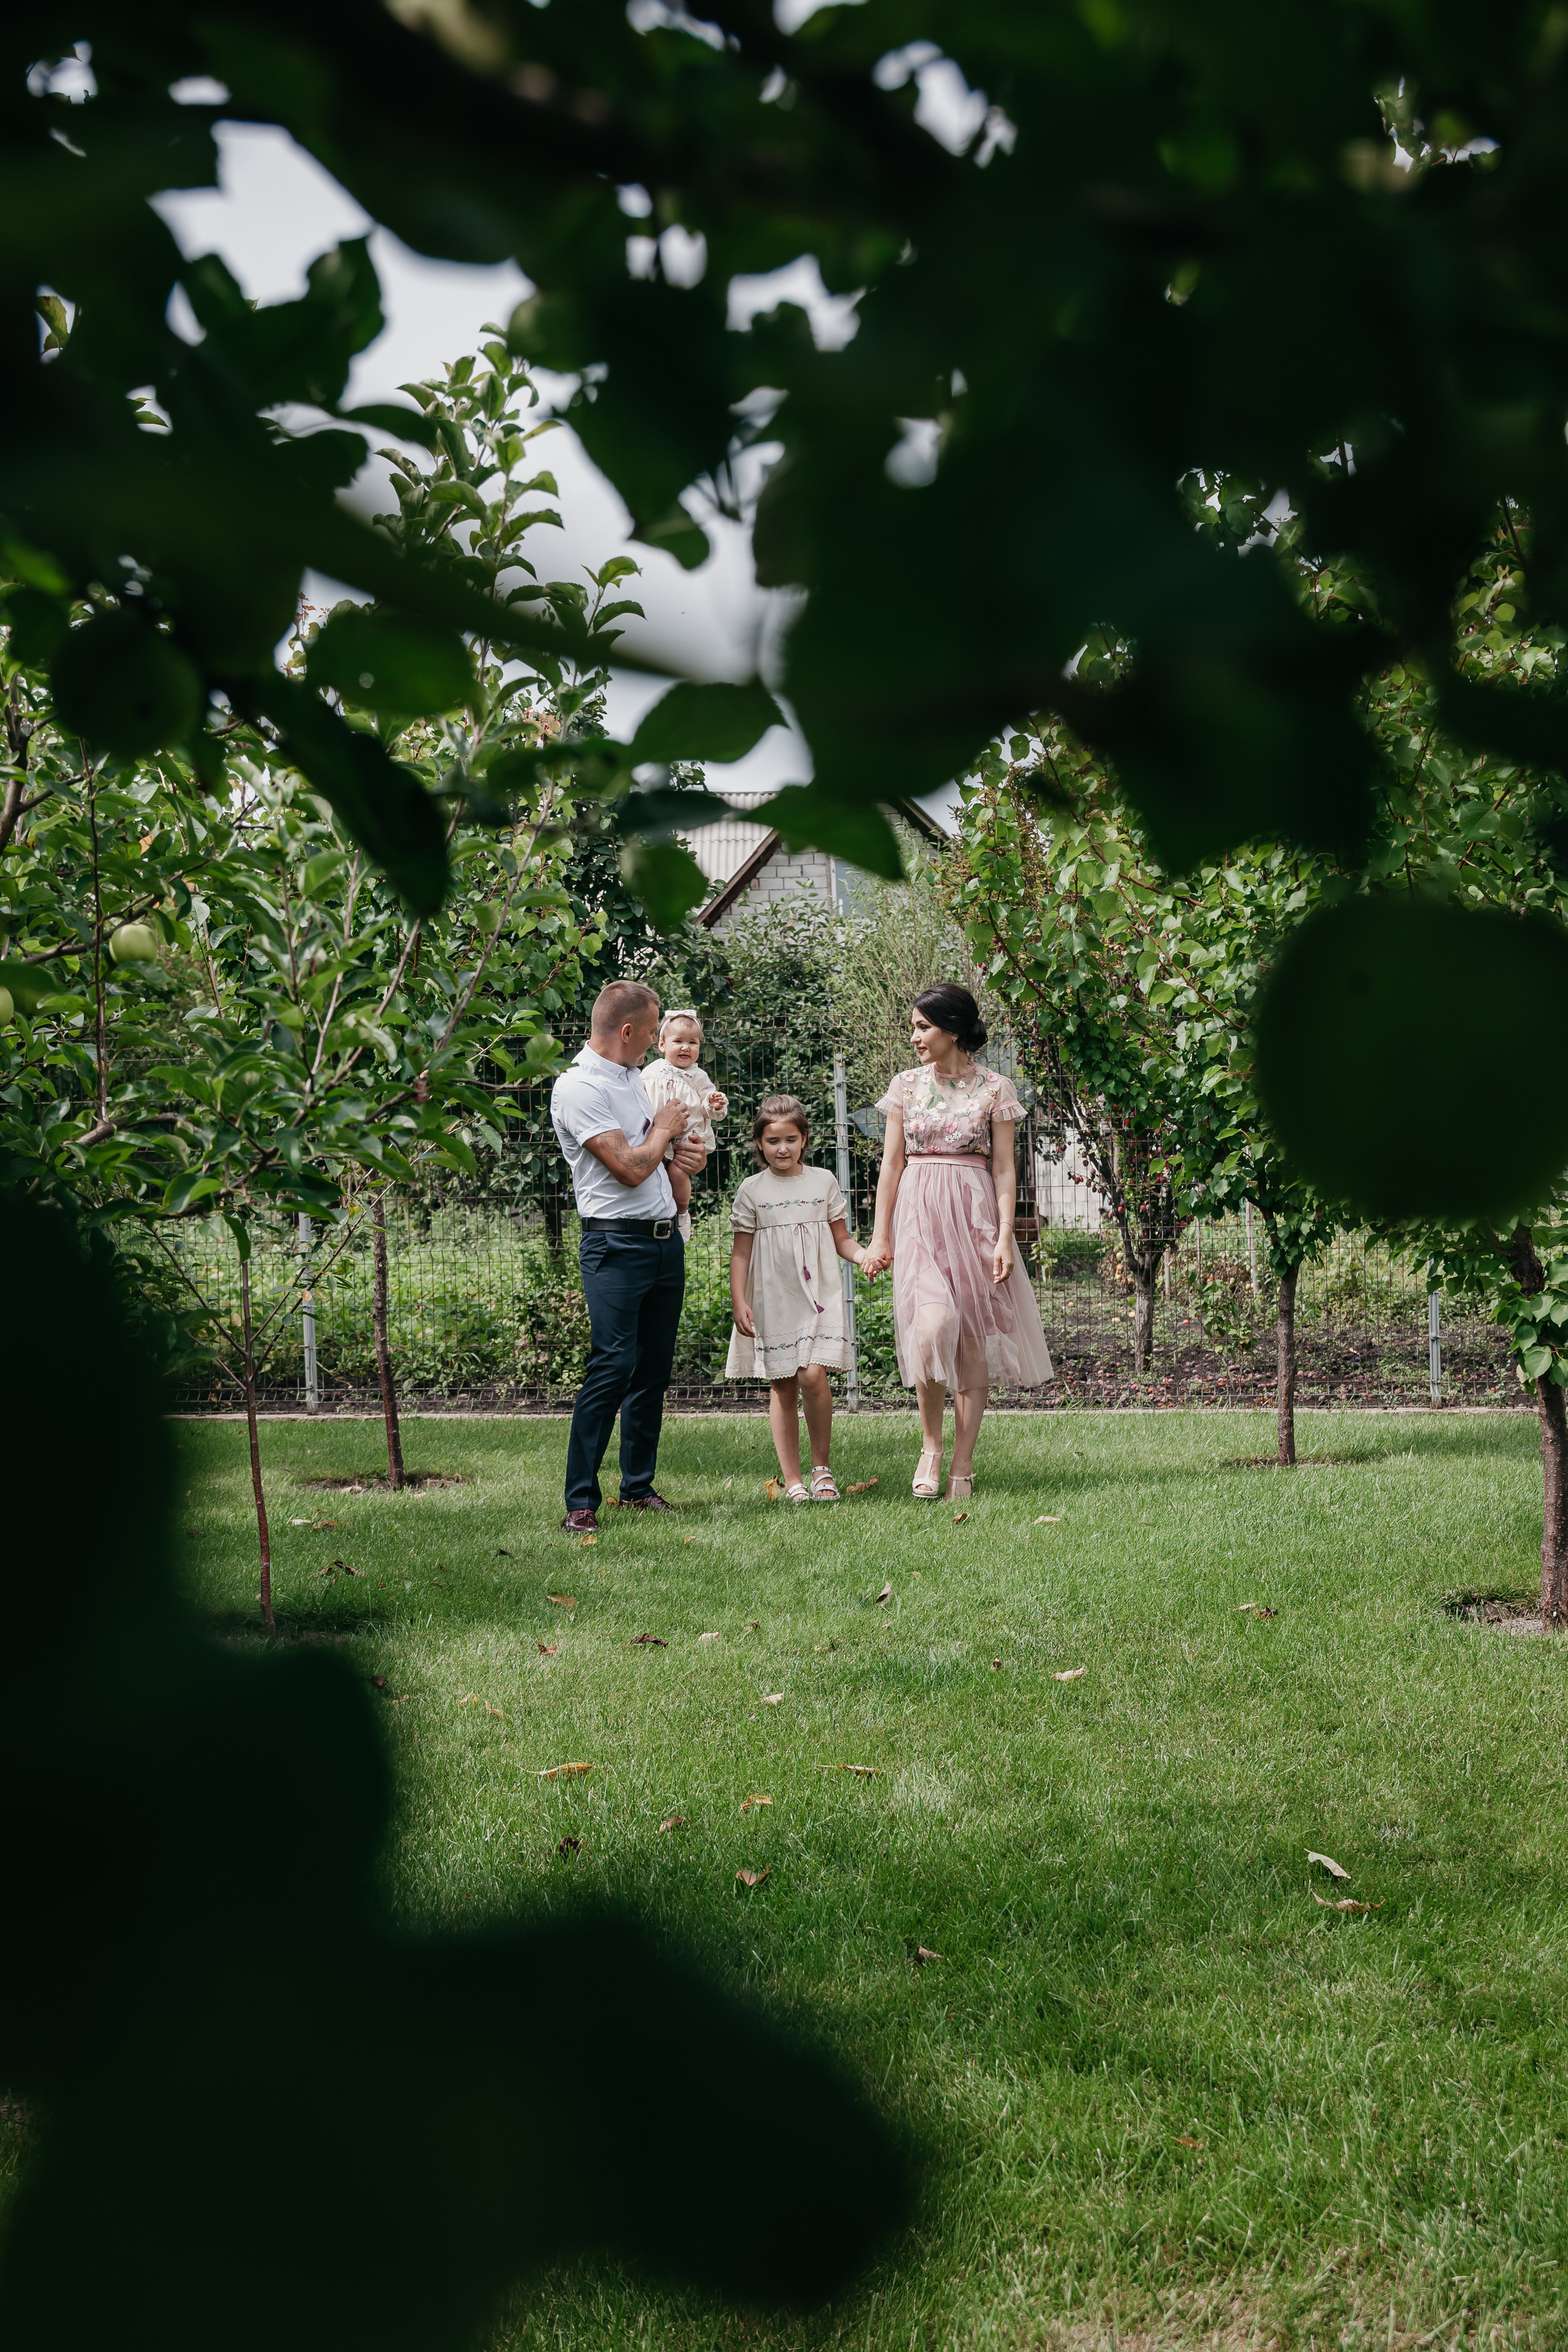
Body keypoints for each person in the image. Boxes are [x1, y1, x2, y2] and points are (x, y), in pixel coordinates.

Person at [861, 984, 1054, 1501]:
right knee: (932, 1326)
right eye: (914, 1026)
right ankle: (931, 1446)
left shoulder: (995, 1088)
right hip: (919, 1215)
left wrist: (1005, 1239)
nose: (914, 1036)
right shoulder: (905, 1085)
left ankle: (962, 1471)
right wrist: (881, 1236)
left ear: (952, 1029)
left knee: (971, 1343)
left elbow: (1006, 1169)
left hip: (975, 1219)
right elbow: (891, 1165)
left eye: (923, 1027)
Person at [549, 981, 708, 1532]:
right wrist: (664, 1132)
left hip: (666, 1241)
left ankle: (637, 1488)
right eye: (651, 1029)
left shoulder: (635, 1080)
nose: (657, 1038)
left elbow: (655, 1160)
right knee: (612, 1366)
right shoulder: (578, 1088)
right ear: (627, 1031)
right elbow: (629, 1168)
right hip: (615, 1243)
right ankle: (580, 1501)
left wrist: (681, 1153)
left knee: (652, 1371)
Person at [726, 1095, 869, 1503]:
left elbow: (841, 1240)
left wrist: (865, 1257)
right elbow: (741, 1253)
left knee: (812, 1375)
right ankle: (794, 1480)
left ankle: (821, 1468)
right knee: (784, 1384)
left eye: (791, 1139)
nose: (782, 1148)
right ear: (759, 1144)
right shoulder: (752, 1190)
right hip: (773, 1297)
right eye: (773, 1141)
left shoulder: (823, 1181)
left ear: (804, 1139)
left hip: (817, 1295)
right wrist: (740, 1301)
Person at [641, 1008, 729, 1243]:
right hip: (656, 1134)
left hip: (686, 1138)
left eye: (693, 1042)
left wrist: (715, 1104)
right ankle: (656, 1213)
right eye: (678, 1041)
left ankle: (682, 1214)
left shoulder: (699, 1077)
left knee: (678, 1172)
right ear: (661, 1045)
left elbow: (713, 1111)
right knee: (654, 1169)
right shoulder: (652, 1070)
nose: (685, 1047)